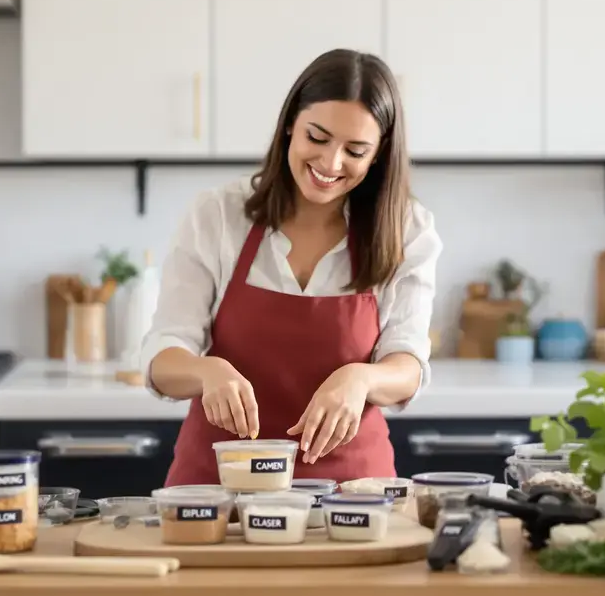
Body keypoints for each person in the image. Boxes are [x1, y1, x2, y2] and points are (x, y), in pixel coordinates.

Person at [140, 48, 442, 486]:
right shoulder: (218, 216)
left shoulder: (407, 229)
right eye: (317, 138)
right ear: (289, 126)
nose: (331, 163)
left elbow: (408, 365)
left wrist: (361, 379)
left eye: (355, 150)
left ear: (378, 154)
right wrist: (206, 370)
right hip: (219, 488)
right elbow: (162, 357)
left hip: (351, 495)